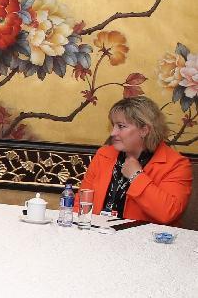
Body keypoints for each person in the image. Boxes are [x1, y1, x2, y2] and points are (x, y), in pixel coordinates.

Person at [77, 96, 192, 225]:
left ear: (144, 130)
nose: (113, 133)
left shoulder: (176, 165)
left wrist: (136, 176)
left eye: (121, 126)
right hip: (98, 236)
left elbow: (168, 213)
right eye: (113, 125)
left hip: (146, 241)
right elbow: (81, 203)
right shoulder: (104, 154)